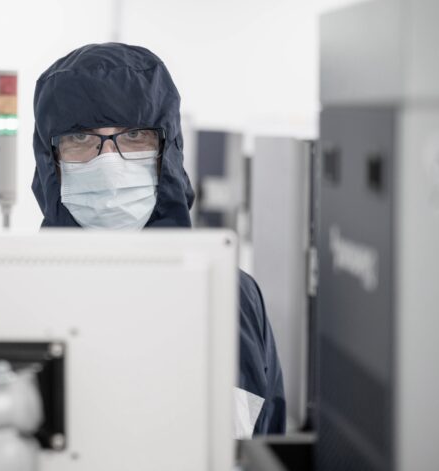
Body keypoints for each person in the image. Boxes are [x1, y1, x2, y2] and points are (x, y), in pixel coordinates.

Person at [31, 42, 286, 435]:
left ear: (167, 152)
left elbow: (249, 447)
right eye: (81, 141)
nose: (109, 164)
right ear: (51, 160)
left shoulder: (223, 294)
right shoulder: (20, 288)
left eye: (134, 137)